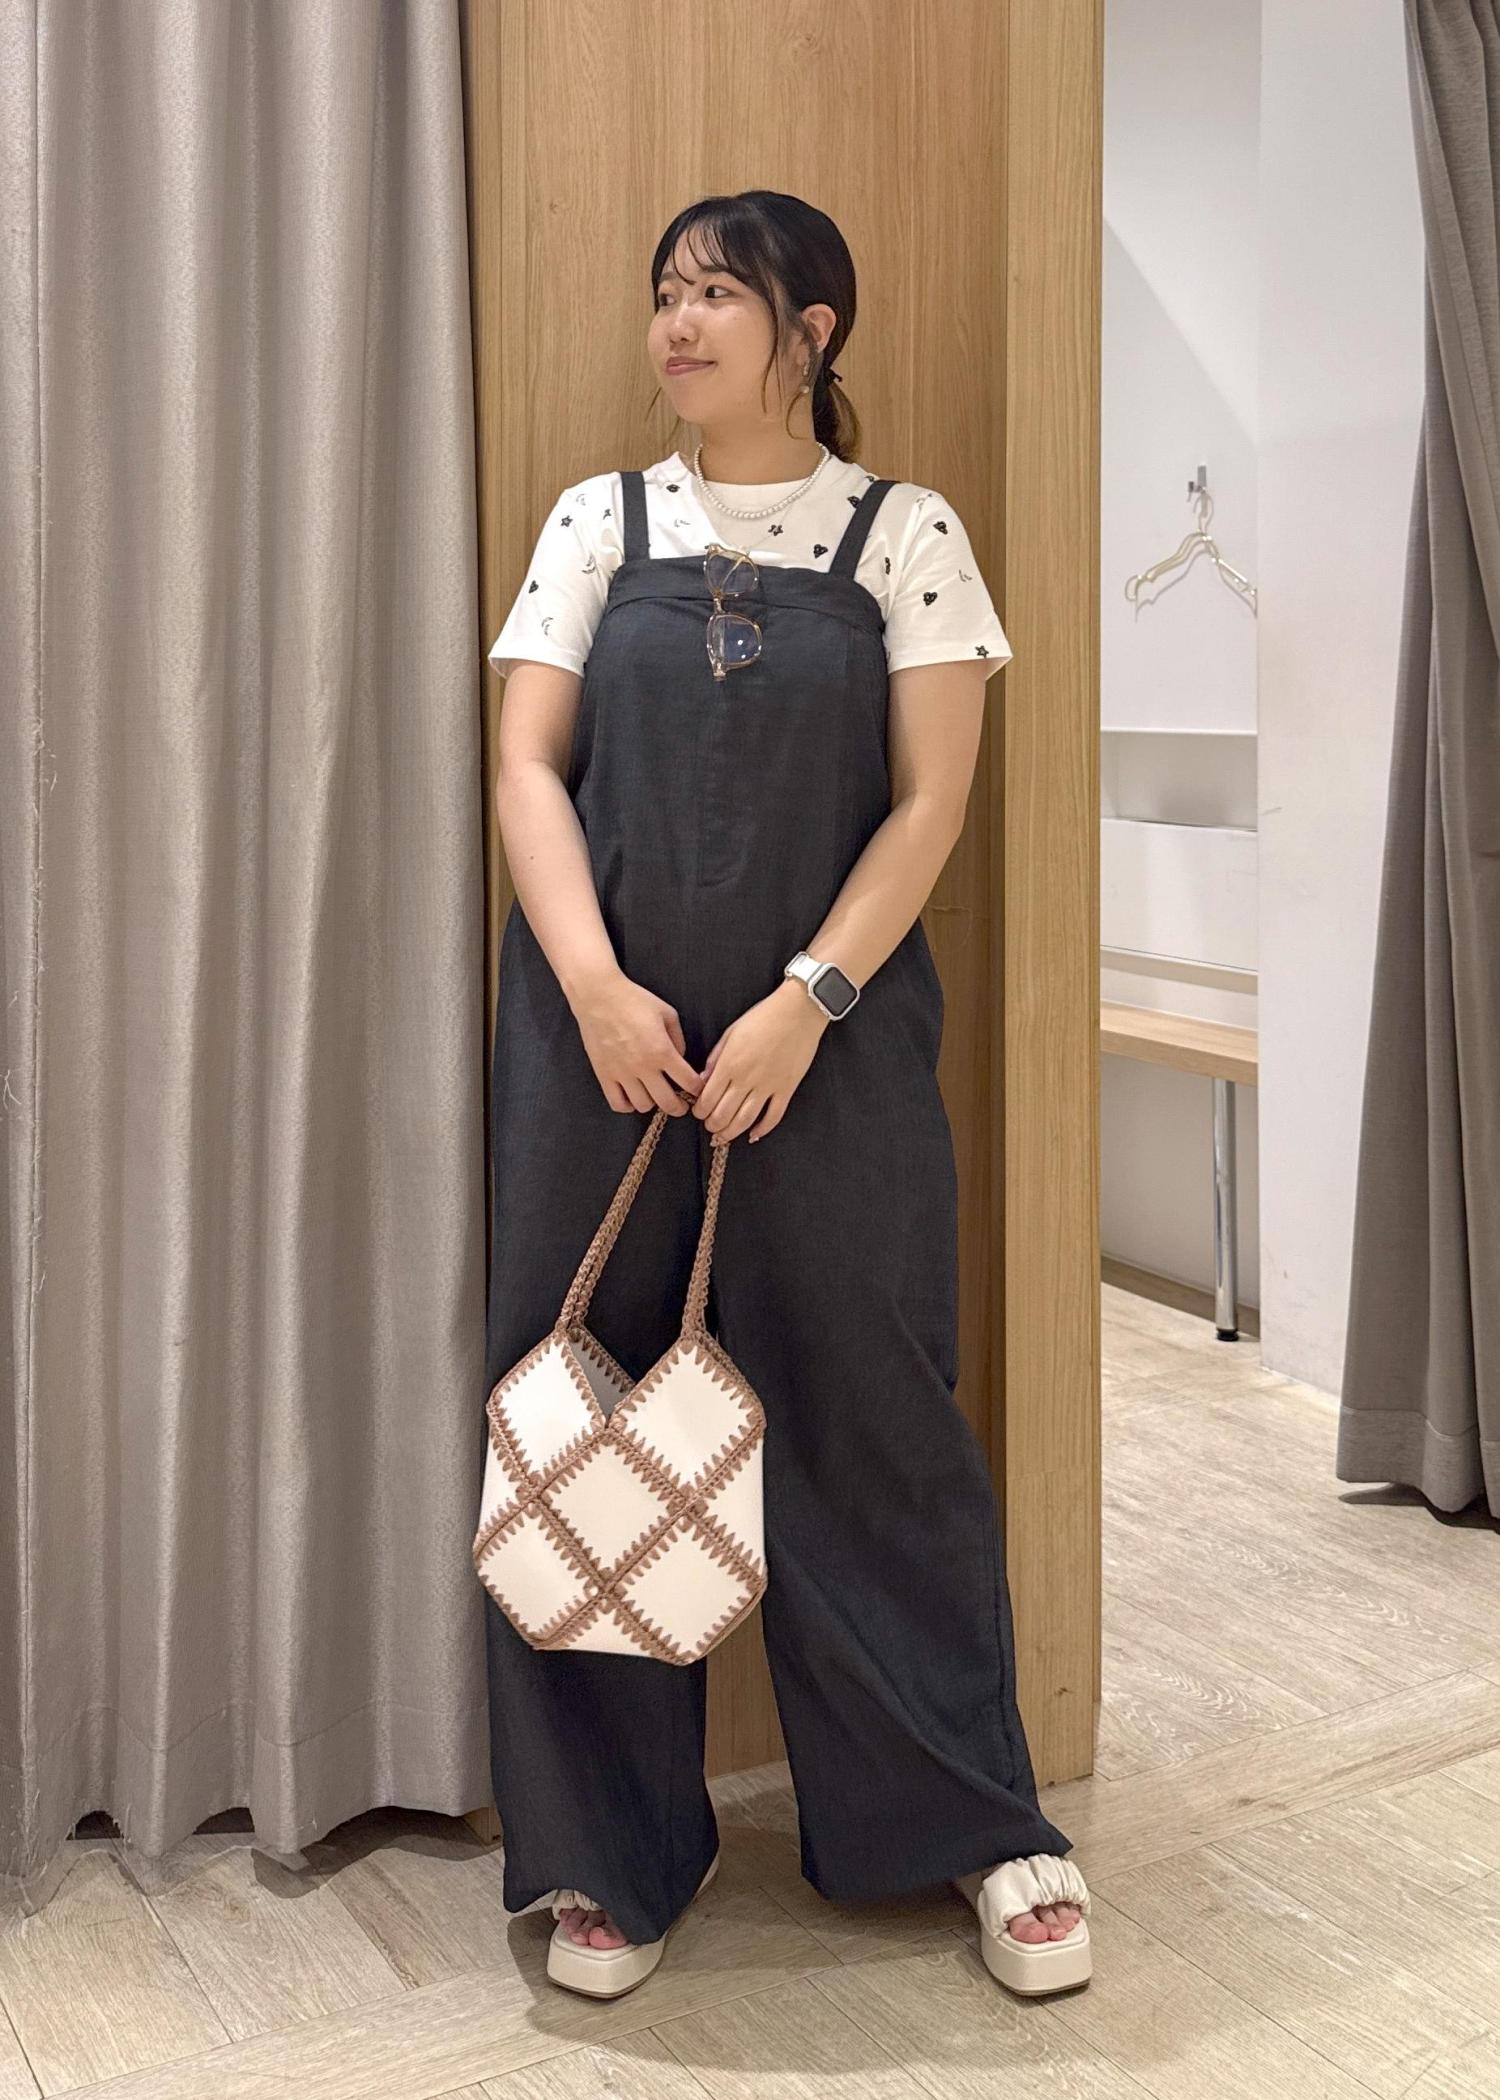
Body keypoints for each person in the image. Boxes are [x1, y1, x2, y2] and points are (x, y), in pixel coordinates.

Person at [480, 189, 1092, 2001]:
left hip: (832, 1059)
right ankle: (604, 1856)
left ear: (812, 330)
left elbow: (932, 801)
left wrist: (807, 1004)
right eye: (663, 293)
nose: (677, 325)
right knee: (589, 1422)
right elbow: (525, 764)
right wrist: (595, 988)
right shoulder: (597, 521)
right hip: (601, 1059)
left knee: (874, 1419)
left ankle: (975, 1822)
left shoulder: (908, 533)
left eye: (718, 295)